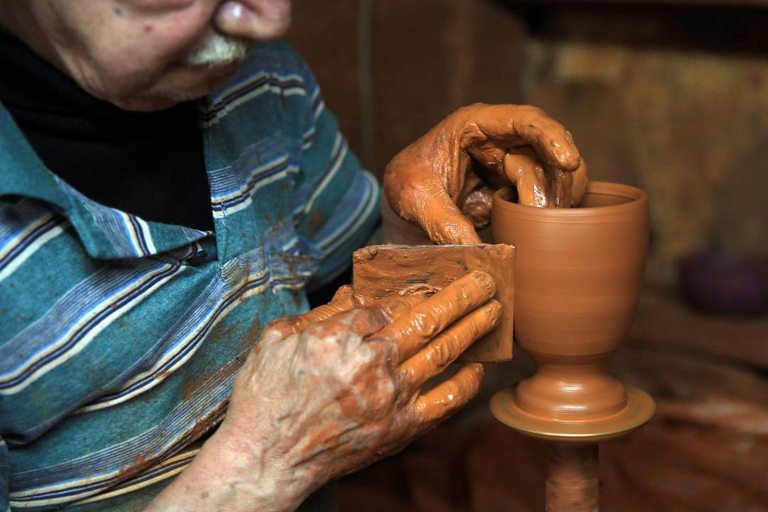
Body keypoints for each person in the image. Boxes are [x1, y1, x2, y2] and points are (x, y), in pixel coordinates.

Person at [0, 1, 587, 510]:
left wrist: (413, 230)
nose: (272, 16)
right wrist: (261, 469)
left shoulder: (261, 82)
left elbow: (343, 318)